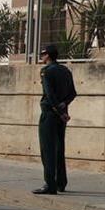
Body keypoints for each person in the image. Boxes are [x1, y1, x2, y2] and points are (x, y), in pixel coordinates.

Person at [34, 44, 76, 195]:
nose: (41, 56)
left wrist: (58, 110)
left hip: (50, 114)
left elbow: (50, 95)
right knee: (59, 148)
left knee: (48, 150)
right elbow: (72, 93)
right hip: (62, 114)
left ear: (48, 55)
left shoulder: (46, 72)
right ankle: (61, 182)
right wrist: (63, 107)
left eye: (43, 54)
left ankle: (50, 184)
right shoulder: (66, 71)